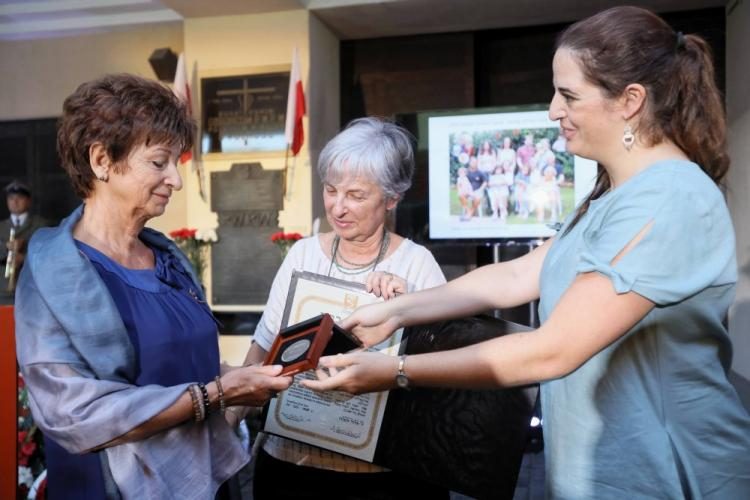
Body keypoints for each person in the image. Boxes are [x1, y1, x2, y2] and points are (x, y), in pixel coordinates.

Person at [302, 6, 750, 499]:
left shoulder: (667, 199)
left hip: (666, 474)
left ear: (630, 101)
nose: (553, 110)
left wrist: (397, 372)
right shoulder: (614, 196)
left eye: (569, 95)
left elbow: (552, 349)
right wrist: (394, 311)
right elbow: (517, 277)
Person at [14, 74, 293, 499]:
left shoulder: (170, 260)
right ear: (102, 161)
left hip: (207, 481)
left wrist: (257, 377)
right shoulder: (53, 274)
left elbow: (181, 367)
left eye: (176, 163)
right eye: (159, 162)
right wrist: (219, 393)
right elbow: (74, 414)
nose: (175, 180)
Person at [243, 117, 447, 499]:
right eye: (331, 189)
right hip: (290, 465)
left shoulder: (417, 266)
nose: (338, 206)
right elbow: (264, 348)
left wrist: (408, 309)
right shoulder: (302, 255)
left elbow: (442, 379)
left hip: (383, 476)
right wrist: (229, 414)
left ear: (391, 199)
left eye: (355, 195)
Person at [0, 181, 50, 295]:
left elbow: (47, 254)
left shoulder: (40, 224)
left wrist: (24, 259)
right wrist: (6, 247)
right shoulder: (1, 227)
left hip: (31, 289)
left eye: (20, 198)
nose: (15, 202)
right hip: (2, 290)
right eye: (11, 198)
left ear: (28, 201)